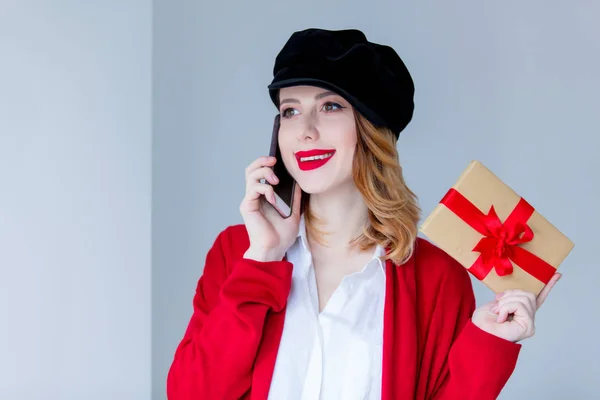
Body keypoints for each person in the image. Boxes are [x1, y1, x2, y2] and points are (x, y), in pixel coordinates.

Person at [166, 28, 561, 400]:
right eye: (289, 111)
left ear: (372, 131)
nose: (304, 129)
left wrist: (490, 340)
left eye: (330, 106)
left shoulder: (437, 275)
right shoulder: (240, 252)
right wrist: (263, 259)